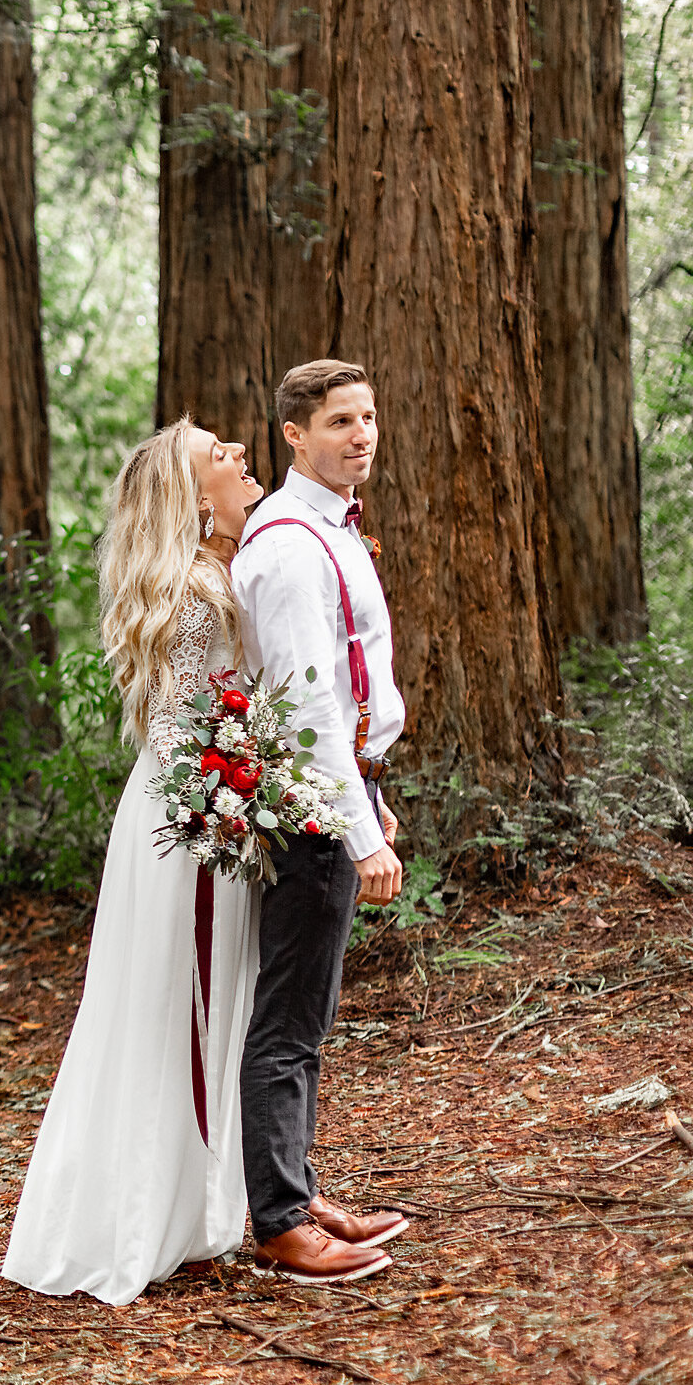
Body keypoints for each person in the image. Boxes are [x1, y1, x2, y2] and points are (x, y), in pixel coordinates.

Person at [0, 418, 266, 1306]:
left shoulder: (212, 571)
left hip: (201, 811)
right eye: (217, 454)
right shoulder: (193, 591)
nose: (237, 455)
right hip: (191, 823)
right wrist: (234, 802)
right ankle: (140, 1217)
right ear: (191, 497)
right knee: (174, 1010)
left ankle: (193, 1208)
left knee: (195, 1007)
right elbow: (184, 728)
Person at [230, 359, 409, 1285]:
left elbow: (349, 688)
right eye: (342, 421)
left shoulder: (329, 530)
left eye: (369, 417)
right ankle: (279, 1222)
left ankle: (291, 1188)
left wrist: (375, 795)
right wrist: (361, 832)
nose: (363, 434)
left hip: (339, 791)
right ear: (295, 436)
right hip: (308, 809)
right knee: (291, 1015)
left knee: (309, 1007)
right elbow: (306, 712)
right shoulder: (295, 546)